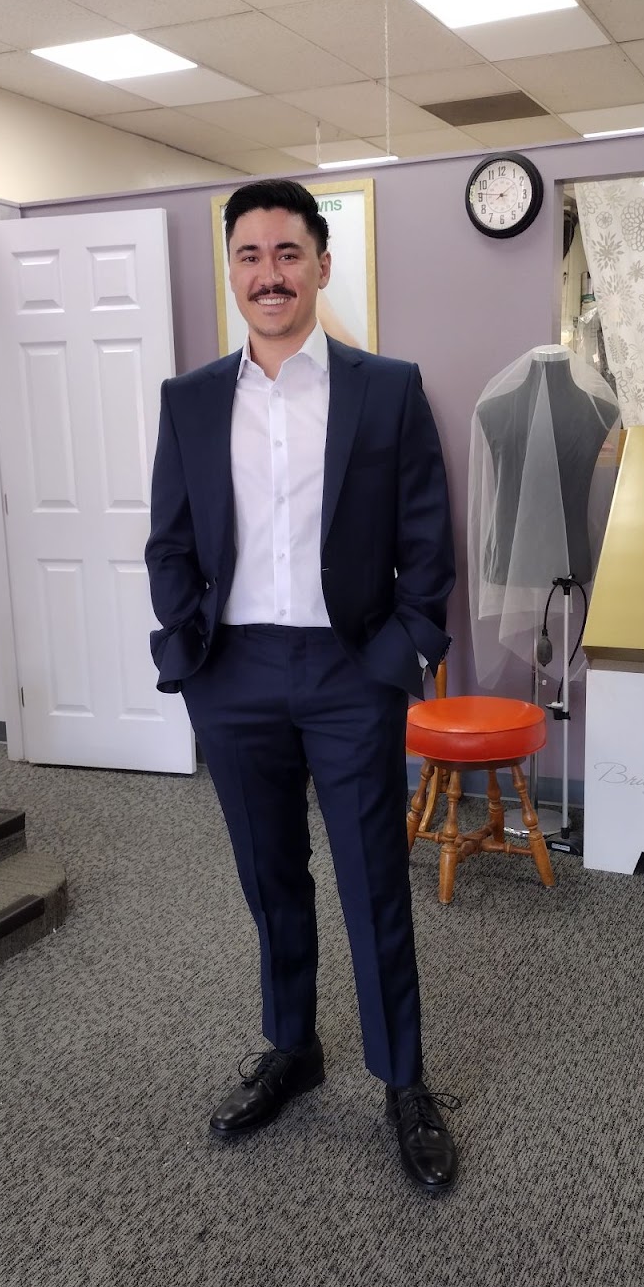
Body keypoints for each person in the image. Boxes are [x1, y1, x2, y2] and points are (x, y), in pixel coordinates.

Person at [145, 179, 458, 1192]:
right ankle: (292, 1046)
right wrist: (188, 648)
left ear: (322, 265)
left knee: (374, 882)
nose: (269, 274)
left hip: (348, 671)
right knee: (270, 875)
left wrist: (398, 657)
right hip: (233, 674)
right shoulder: (191, 399)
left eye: (288, 253)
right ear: (231, 270)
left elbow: (428, 541)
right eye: (250, 255)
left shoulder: (387, 389)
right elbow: (169, 540)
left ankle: (402, 1079)